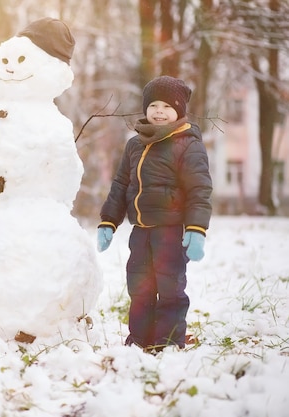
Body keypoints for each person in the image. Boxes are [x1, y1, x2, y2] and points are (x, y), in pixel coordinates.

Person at [97, 75, 213, 351]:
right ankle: (140, 339)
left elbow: (199, 189)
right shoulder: (135, 144)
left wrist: (196, 230)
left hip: (170, 232)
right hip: (140, 232)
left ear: (179, 111)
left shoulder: (187, 144)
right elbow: (121, 184)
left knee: (170, 287)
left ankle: (170, 341)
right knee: (140, 287)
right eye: (153, 105)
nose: (159, 111)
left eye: (166, 106)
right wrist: (108, 221)